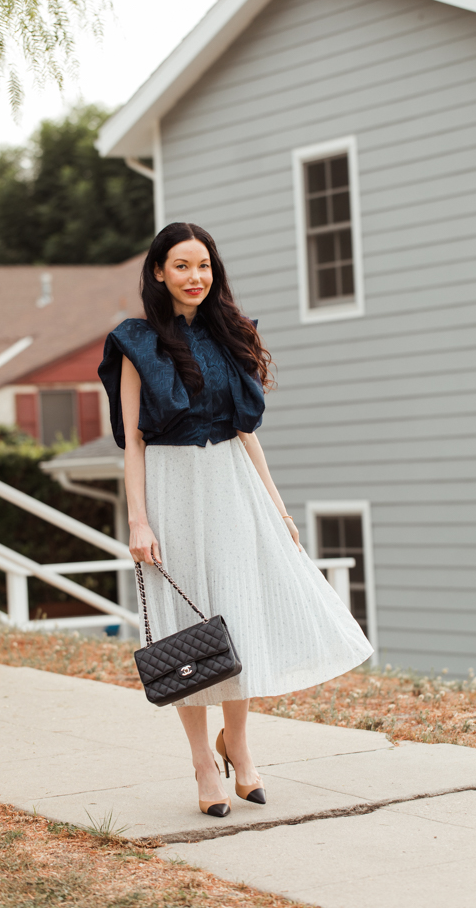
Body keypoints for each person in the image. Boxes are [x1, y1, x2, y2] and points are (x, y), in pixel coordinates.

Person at [99, 222, 373, 819]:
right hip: (171, 487)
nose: (195, 277)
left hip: (231, 484)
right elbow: (134, 444)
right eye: (181, 266)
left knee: (239, 617)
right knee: (186, 631)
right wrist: (138, 522)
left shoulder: (230, 336)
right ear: (157, 273)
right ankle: (203, 761)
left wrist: (278, 508)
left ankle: (239, 747)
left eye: (204, 265)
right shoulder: (133, 342)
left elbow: (245, 432)